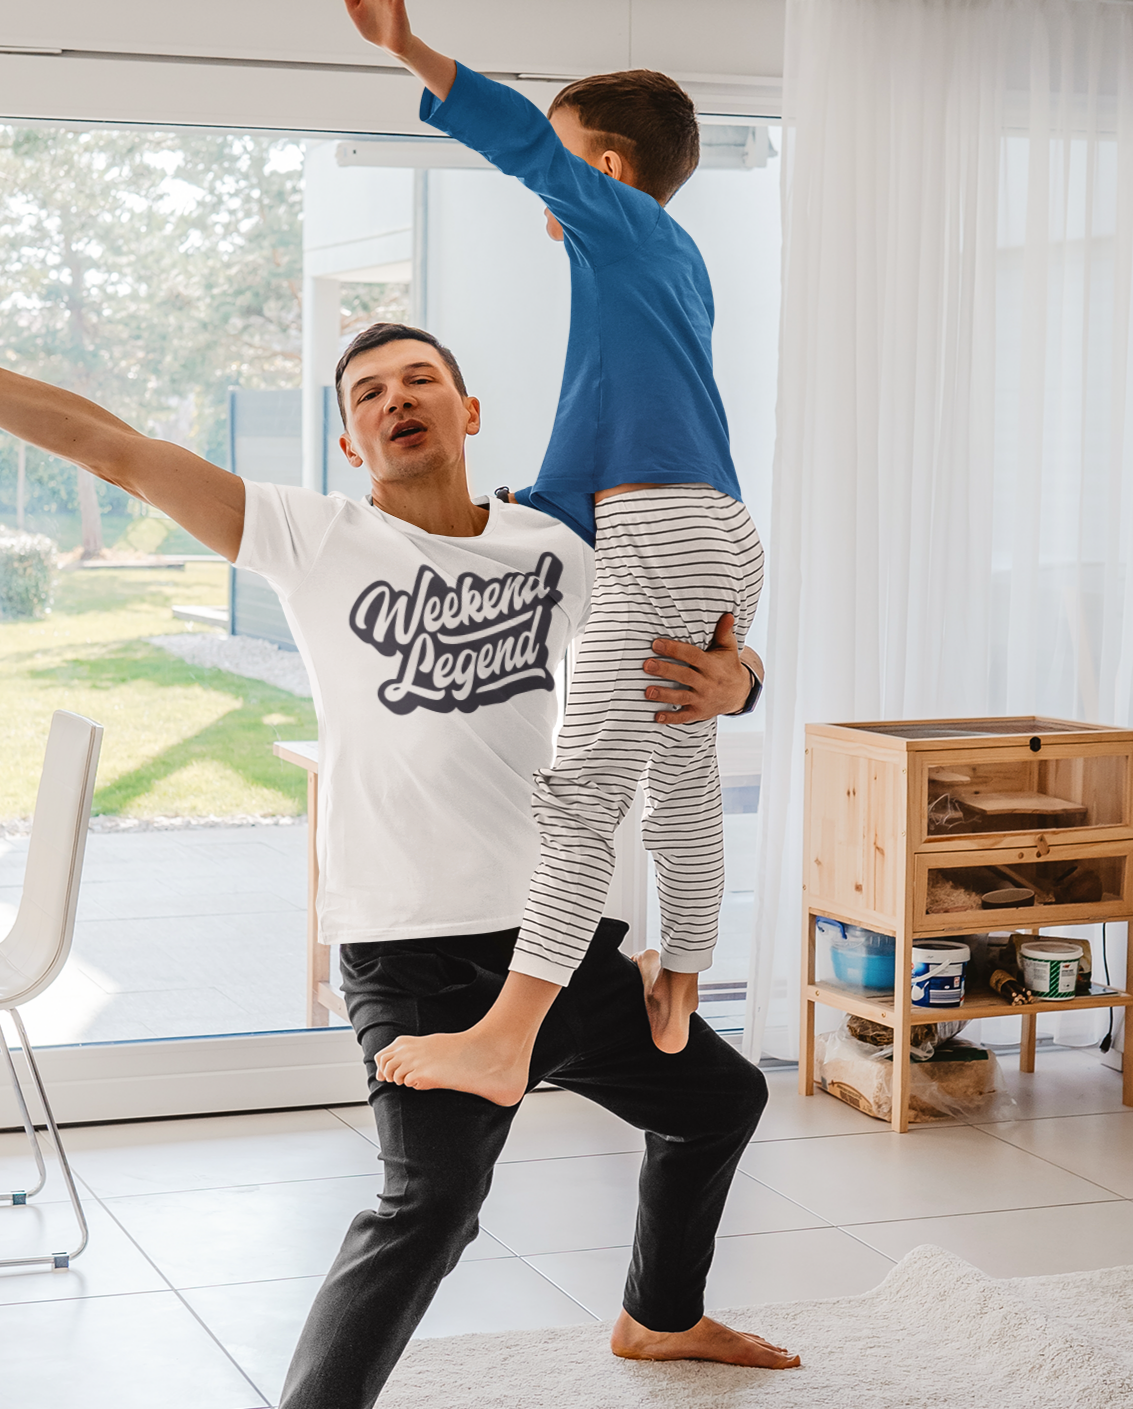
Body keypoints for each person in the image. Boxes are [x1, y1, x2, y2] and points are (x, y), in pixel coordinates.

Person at [0, 260, 796, 1403]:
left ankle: (658, 1318)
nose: (394, 398)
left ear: (468, 412)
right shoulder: (312, 538)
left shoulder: (558, 544)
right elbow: (109, 446)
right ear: (346, 443)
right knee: (429, 1205)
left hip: (559, 943)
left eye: (418, 379)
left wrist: (742, 681)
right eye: (367, 393)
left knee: (719, 1099)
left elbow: (698, 636)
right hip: (414, 953)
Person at [345, 0, 765, 1110]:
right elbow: (608, 418)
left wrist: (409, 51)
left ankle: (505, 1036)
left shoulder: (622, 225)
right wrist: (531, 503)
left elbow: (524, 144)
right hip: (717, 527)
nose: (550, 188)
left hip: (658, 529)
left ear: (607, 170)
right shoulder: (673, 264)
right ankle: (680, 974)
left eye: (568, 165)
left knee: (582, 796)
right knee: (681, 768)